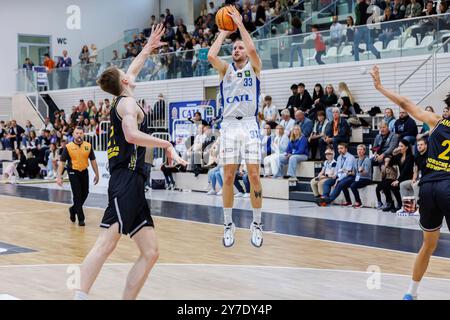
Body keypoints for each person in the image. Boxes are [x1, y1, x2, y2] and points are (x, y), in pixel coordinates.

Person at [71, 24, 187, 300]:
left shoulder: (124, 98)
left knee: (150, 252)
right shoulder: (126, 105)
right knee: (105, 244)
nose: (132, 74)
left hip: (134, 181)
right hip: (126, 180)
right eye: (127, 74)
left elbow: (134, 67)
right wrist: (167, 144)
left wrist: (148, 47)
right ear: (124, 82)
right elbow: (131, 135)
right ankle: (79, 296)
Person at [371, 65, 450, 300]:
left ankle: (410, 293)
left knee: (428, 245)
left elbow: (405, 104)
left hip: (427, 188)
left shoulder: (436, 122)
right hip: (448, 187)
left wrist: (379, 86)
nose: (444, 110)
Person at [208, 5, 264, 248]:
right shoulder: (225, 70)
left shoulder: (254, 67)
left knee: (253, 176)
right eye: (235, 47)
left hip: (250, 124)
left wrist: (240, 24)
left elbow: (251, 48)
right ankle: (228, 224)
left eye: (240, 47)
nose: (237, 49)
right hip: (229, 126)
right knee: (228, 176)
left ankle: (257, 223)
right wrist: (223, 32)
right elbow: (211, 56)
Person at [56, 127, 99, 225]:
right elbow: (62, 163)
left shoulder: (88, 146)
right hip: (73, 172)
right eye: (77, 133)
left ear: (83, 134)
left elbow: (93, 161)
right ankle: (81, 219)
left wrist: (97, 174)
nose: (79, 135)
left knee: (85, 193)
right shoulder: (68, 147)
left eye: (81, 133)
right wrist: (59, 177)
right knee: (77, 195)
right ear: (73, 135)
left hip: (84, 172)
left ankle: (73, 209)